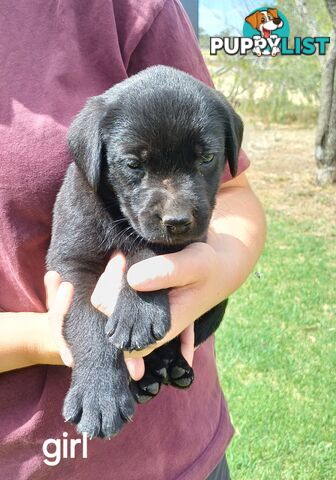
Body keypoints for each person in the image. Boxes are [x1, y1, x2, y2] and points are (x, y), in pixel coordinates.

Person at [0, 1, 266, 479]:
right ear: (92, 157)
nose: (178, 207)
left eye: (202, 160)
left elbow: (234, 203)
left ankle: (163, 359)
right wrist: (86, 353)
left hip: (181, 455)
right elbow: (72, 272)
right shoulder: (85, 196)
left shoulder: (132, 9)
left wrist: (213, 267)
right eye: (136, 167)